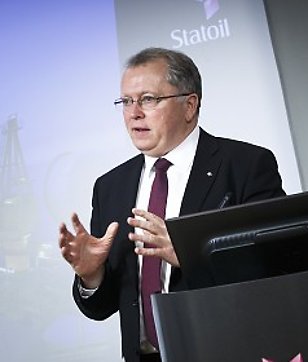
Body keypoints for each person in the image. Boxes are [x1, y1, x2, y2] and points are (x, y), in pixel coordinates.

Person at [58, 47, 285, 362]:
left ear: (189, 105)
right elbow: (102, 307)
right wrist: (91, 276)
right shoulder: (110, 187)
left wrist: (190, 257)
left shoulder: (245, 165)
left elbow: (276, 272)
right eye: (126, 101)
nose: (134, 112)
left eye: (148, 99)